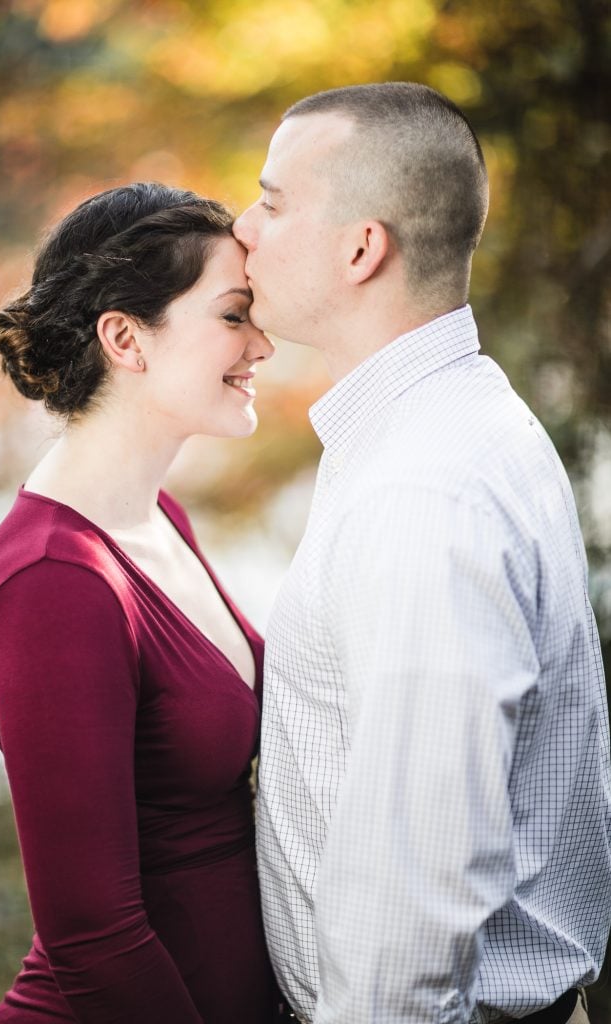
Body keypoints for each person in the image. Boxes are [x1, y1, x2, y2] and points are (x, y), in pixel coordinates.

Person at [233, 83, 611, 1024]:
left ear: (362, 248)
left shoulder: (422, 492)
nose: (243, 226)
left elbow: (415, 888)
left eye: (274, 203)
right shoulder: (446, 425)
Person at [0, 182, 279, 1023]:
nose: (263, 343)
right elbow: (91, 937)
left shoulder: (158, 517)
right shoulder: (53, 583)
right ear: (124, 338)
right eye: (232, 315)